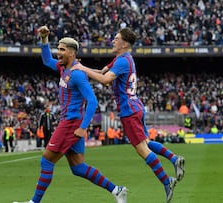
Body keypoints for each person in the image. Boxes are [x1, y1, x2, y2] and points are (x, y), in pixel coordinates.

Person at [13, 25, 127, 203]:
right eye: (58, 48)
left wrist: (83, 128)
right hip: (70, 122)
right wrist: (44, 39)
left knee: (46, 161)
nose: (58, 53)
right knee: (78, 167)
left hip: (71, 123)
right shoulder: (63, 68)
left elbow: (93, 101)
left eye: (61, 49)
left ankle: (34, 202)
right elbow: (46, 60)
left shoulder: (78, 75)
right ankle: (117, 190)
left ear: (72, 53)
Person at [72, 27, 185, 203]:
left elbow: (104, 79)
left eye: (116, 39)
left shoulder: (122, 62)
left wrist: (81, 69)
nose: (112, 41)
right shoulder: (123, 59)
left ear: (124, 43)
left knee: (142, 149)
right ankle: (174, 158)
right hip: (136, 106)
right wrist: (80, 67)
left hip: (128, 111)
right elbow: (102, 72)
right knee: (146, 142)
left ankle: (166, 181)